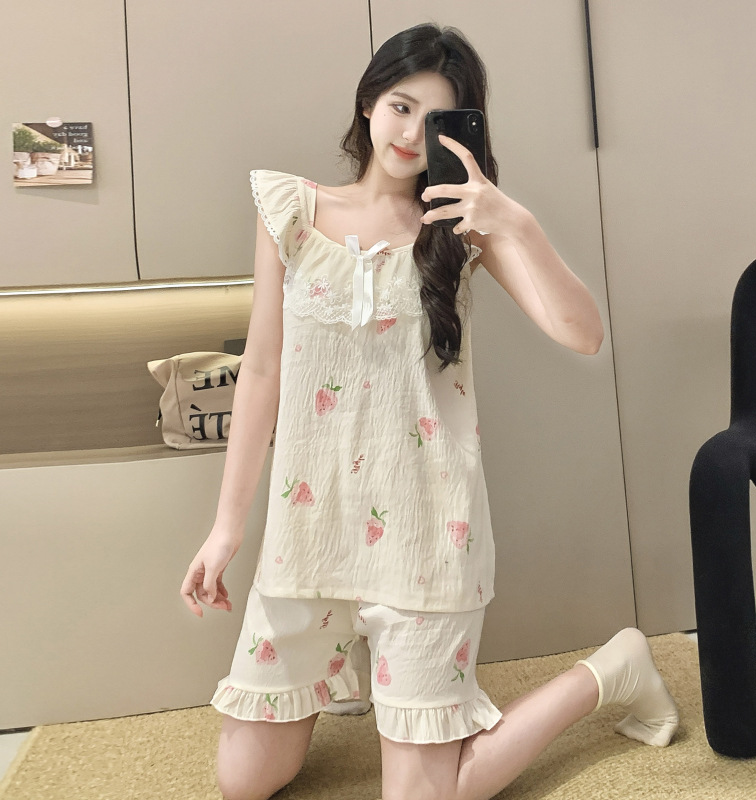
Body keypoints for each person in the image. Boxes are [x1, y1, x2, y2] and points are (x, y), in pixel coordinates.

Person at [180, 22, 679, 800]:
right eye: (401, 106)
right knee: (243, 783)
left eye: (435, 118)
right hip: (308, 530)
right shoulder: (291, 209)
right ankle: (350, 674)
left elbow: (584, 334)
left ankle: (613, 671)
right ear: (369, 102)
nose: (412, 134)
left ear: (460, 131)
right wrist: (225, 529)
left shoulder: (463, 227)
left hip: (425, 534)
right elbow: (264, 372)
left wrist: (514, 222)